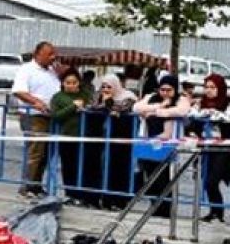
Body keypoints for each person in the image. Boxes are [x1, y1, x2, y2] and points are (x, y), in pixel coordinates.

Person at [133, 74, 191, 218]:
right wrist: (158, 105)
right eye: (162, 89)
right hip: (149, 141)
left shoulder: (181, 99)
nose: (165, 93)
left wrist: (158, 112)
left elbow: (181, 110)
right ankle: (154, 205)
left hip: (168, 143)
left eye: (169, 90)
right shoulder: (151, 97)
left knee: (163, 177)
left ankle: (165, 209)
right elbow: (137, 107)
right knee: (149, 173)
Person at [11, 41, 60, 198]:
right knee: (35, 151)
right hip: (33, 115)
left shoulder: (52, 71)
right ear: (38, 54)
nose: (53, 57)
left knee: (46, 153)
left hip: (50, 116)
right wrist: (36, 102)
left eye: (53, 53)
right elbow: (19, 91)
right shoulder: (27, 69)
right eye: (49, 54)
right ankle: (27, 186)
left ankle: (36, 185)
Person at [91, 74, 139, 210]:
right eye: (103, 86)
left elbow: (123, 109)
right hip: (105, 138)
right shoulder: (99, 95)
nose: (106, 89)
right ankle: (104, 199)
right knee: (104, 167)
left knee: (120, 168)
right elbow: (94, 107)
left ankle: (119, 200)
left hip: (123, 138)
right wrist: (105, 102)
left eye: (109, 87)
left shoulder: (128, 96)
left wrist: (109, 103)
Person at [50, 69, 96, 203]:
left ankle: (85, 195)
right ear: (62, 83)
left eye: (74, 82)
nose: (71, 85)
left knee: (85, 166)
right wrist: (72, 107)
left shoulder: (86, 95)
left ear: (79, 83)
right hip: (67, 136)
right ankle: (71, 193)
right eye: (67, 82)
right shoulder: (58, 97)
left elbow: (93, 107)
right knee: (69, 165)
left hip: (87, 136)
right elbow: (56, 116)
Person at [196, 74, 230, 222]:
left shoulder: (227, 103)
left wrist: (218, 115)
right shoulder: (202, 103)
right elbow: (193, 122)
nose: (209, 90)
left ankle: (218, 212)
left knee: (213, 180)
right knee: (208, 181)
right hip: (208, 146)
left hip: (225, 148)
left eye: (212, 87)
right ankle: (216, 212)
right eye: (206, 87)